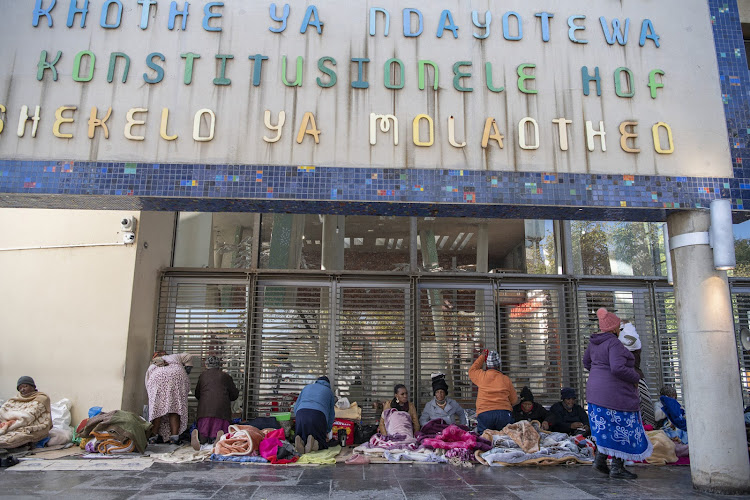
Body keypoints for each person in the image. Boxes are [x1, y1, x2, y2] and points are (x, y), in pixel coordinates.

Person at [584, 308, 653, 479]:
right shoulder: (614, 343)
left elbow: (587, 363)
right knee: (622, 427)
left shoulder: (594, 343)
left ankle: (600, 460)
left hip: (595, 392)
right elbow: (617, 368)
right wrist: (635, 377)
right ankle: (617, 467)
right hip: (615, 394)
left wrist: (600, 373)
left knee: (606, 428)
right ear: (615, 328)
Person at [191, 355, 240, 451]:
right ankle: (219, 439)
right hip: (221, 411)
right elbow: (234, 395)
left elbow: (197, 393)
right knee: (222, 429)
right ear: (219, 365)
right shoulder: (225, 376)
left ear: (206, 365)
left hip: (204, 411)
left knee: (204, 429)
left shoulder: (203, 376)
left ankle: (202, 439)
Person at [145, 351, 192, 445]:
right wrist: (187, 368)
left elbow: (148, 384)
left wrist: (154, 398)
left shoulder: (152, 365)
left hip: (157, 378)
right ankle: (174, 438)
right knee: (175, 408)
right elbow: (188, 356)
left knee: (157, 409)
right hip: (177, 376)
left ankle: (153, 437)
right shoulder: (175, 356)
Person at [468, 350, 518, 434]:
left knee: (485, 440)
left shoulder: (481, 376)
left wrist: (482, 357)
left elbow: (472, 371)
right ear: (499, 365)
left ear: (487, 364)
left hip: (485, 414)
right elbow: (514, 400)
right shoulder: (505, 379)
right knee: (505, 438)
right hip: (503, 413)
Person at [619, 320, 656, 427]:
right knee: (645, 416)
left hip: (631, 380)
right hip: (638, 379)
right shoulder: (634, 342)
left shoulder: (623, 343)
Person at [0, 377, 52, 450]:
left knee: (13, 439)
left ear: (33, 387)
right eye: (20, 388)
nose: (22, 389)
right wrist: (6, 423)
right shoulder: (14, 399)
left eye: (25, 386)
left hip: (27, 428)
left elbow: (28, 417)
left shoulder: (42, 398)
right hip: (7, 425)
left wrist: (12, 422)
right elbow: (3, 411)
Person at [293, 376, 336, 454]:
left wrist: (298, 418)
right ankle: (315, 444)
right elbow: (331, 414)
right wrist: (327, 430)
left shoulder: (306, 387)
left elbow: (296, 407)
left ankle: (301, 442)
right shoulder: (329, 392)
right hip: (318, 414)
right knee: (321, 440)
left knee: (302, 433)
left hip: (301, 412)